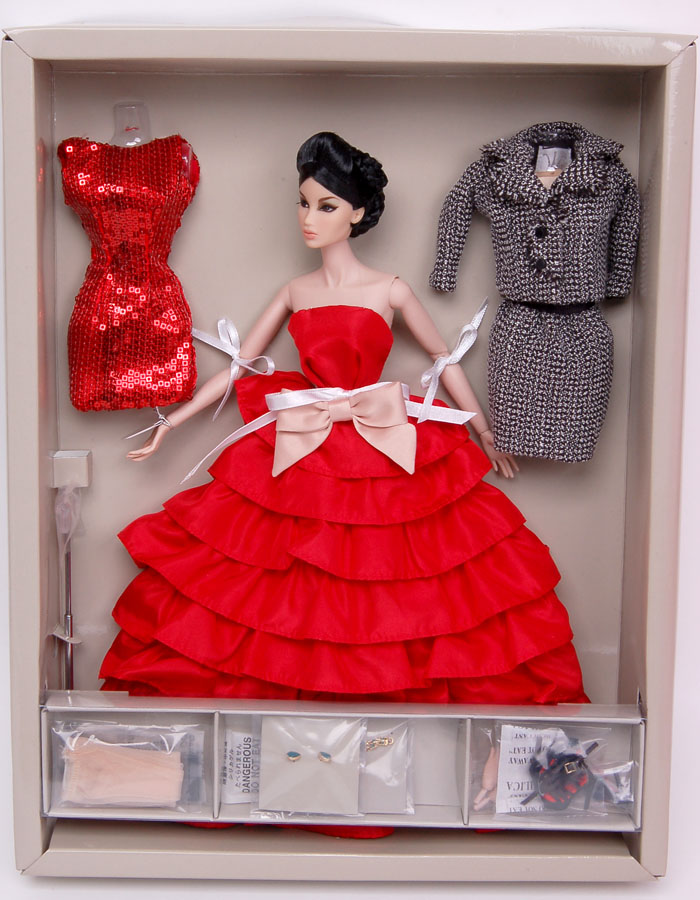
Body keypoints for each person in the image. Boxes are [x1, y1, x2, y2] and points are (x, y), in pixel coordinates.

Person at [101, 131, 587, 712]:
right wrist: (171, 422)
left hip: (379, 437)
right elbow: (237, 368)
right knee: (279, 577)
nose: (309, 219)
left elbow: (443, 358)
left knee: (398, 574)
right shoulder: (295, 290)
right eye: (303, 203)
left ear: (357, 213)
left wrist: (483, 432)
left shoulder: (390, 289)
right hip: (303, 437)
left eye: (326, 206)